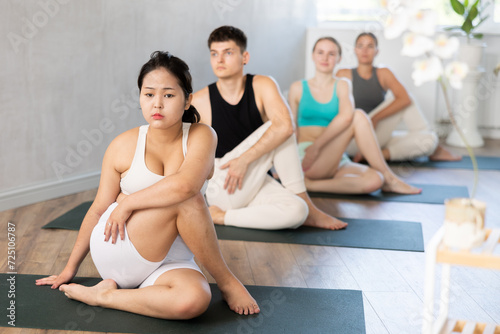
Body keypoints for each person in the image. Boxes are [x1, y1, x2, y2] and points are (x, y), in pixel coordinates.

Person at [36, 51, 260, 319]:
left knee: (194, 301)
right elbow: (99, 209)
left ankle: (106, 296)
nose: (157, 104)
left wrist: (128, 201)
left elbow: (187, 183)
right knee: (184, 199)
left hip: (173, 258)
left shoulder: (202, 135)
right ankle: (227, 281)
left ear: (188, 100)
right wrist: (69, 269)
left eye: (168, 95)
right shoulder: (122, 145)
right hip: (119, 245)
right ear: (140, 97)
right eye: (149, 94)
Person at [192, 25, 347, 230]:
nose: (219, 60)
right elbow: (187, 155)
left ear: (244, 57)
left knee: (298, 211)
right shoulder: (200, 100)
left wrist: (244, 160)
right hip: (223, 184)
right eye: (214, 54)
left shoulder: (262, 85)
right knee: (282, 126)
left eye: (228, 53)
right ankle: (306, 200)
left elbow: (285, 128)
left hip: (252, 181)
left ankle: (222, 217)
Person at [288, 37, 421, 195]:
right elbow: (290, 131)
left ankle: (310, 185)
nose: (325, 58)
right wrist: (287, 169)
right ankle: (391, 179)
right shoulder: (297, 88)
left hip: (335, 158)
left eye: (331, 54)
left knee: (376, 180)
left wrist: (318, 147)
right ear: (313, 56)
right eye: (320, 52)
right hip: (308, 157)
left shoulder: (343, 84)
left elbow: (346, 117)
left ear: (339, 59)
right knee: (358, 115)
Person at [336, 32, 461, 162]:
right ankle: (435, 150)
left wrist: (376, 118)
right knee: (409, 100)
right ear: (355, 50)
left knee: (429, 140)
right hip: (354, 137)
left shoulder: (383, 73)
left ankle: (376, 155)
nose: (365, 50)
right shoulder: (343, 74)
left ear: (377, 51)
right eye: (360, 46)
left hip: (377, 134)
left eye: (370, 46)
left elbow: (405, 99)